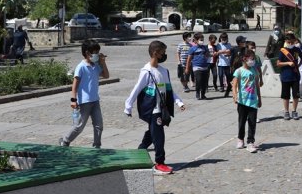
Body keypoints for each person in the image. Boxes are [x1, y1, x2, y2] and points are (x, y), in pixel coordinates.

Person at [124, 40, 185, 175]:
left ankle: (140, 150)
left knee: (153, 131)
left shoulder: (164, 71)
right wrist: (128, 106)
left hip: (162, 108)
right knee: (159, 135)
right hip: (153, 108)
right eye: (163, 52)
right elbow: (137, 89)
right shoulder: (147, 71)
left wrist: (178, 102)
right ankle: (159, 163)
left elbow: (169, 90)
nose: (164, 55)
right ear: (156, 53)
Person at [59, 39, 109, 148]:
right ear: (87, 53)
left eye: (98, 52)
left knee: (99, 125)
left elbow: (106, 75)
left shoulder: (95, 66)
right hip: (84, 102)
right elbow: (75, 85)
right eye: (95, 52)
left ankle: (97, 146)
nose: (97, 55)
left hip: (95, 100)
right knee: (79, 126)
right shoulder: (81, 67)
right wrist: (73, 100)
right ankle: (65, 140)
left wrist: (103, 62)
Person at [232, 49, 262, 153]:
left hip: (253, 101)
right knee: (242, 121)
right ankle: (240, 139)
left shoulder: (255, 70)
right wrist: (235, 96)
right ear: (244, 59)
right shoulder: (239, 71)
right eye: (251, 59)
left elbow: (257, 85)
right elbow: (234, 85)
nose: (252, 61)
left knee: (252, 122)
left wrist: (259, 98)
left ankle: (250, 142)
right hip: (242, 101)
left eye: (253, 59)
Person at [277, 33, 301, 120]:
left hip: (295, 76)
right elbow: (278, 63)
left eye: (292, 42)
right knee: (286, 96)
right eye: (288, 42)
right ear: (286, 41)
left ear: (294, 41)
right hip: (285, 76)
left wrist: (298, 65)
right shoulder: (283, 51)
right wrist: (287, 63)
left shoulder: (297, 49)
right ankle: (286, 111)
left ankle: (294, 111)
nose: (290, 44)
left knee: (296, 95)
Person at [186, 32, 211, 100]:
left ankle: (203, 94)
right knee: (199, 80)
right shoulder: (192, 48)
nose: (202, 41)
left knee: (204, 82)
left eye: (202, 40)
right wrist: (187, 68)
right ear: (196, 40)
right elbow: (189, 59)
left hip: (205, 67)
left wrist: (211, 53)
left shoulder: (205, 47)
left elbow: (208, 55)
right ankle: (197, 93)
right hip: (197, 67)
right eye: (200, 40)